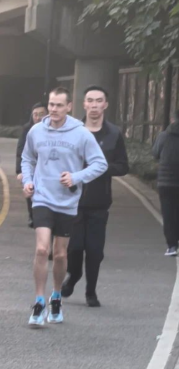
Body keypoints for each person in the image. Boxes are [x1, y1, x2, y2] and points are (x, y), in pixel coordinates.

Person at [21, 86, 107, 326]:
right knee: (42, 249)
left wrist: (77, 177)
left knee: (60, 254)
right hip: (42, 198)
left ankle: (56, 295)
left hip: (67, 202)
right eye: (51, 104)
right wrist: (28, 181)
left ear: (69, 107)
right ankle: (39, 301)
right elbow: (27, 158)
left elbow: (100, 164)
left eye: (59, 105)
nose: (54, 109)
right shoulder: (36, 131)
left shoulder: (81, 134)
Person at [62, 85, 129, 305]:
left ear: (105, 105)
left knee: (94, 250)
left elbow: (122, 166)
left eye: (99, 101)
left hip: (100, 202)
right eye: (90, 100)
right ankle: (74, 275)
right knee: (74, 247)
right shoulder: (73, 131)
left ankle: (91, 292)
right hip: (73, 199)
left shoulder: (113, 134)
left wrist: (99, 168)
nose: (94, 105)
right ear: (83, 104)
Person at [16, 102, 48, 227]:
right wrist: (19, 171)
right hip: (32, 167)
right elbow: (21, 150)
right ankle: (33, 216)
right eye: (35, 114)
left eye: (41, 114)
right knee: (30, 191)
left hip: (46, 168)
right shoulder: (27, 129)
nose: (38, 117)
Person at [152, 110, 179, 256]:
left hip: (166, 183)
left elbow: (155, 153)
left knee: (169, 214)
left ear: (172, 119)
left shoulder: (163, 136)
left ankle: (172, 246)